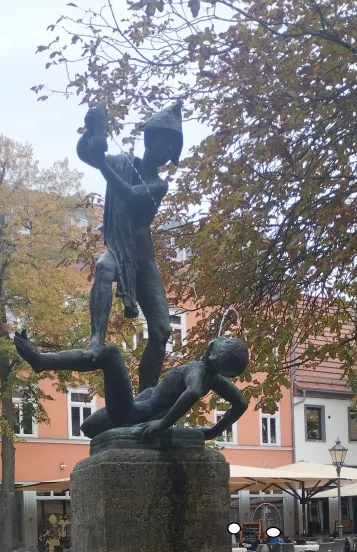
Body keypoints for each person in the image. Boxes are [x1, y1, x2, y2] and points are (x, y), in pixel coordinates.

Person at [76, 101, 182, 393]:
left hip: (144, 260)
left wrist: (102, 164)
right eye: (166, 143)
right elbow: (86, 153)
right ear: (151, 139)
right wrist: (91, 133)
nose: (168, 151)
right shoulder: (125, 163)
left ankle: (147, 396)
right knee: (103, 266)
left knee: (161, 331)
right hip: (120, 249)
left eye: (173, 148)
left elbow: (128, 194)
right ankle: (96, 339)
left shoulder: (159, 185)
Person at [14, 333, 249, 442]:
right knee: (88, 427)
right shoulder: (215, 379)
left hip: (131, 413)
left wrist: (162, 424)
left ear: (209, 349)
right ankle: (40, 361)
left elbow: (193, 392)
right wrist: (212, 432)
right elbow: (241, 403)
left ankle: (41, 361)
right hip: (136, 407)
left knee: (110, 354)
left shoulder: (198, 371)